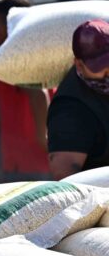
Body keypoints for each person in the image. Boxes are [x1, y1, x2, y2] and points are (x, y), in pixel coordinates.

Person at [0, 0, 52, 182]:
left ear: (7, 25)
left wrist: (43, 138)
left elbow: (38, 94)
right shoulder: (28, 51)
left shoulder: (17, 55)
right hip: (25, 163)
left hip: (27, 166)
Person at [47, 19, 109, 179]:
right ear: (79, 64)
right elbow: (65, 176)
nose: (107, 72)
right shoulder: (70, 109)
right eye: (100, 67)